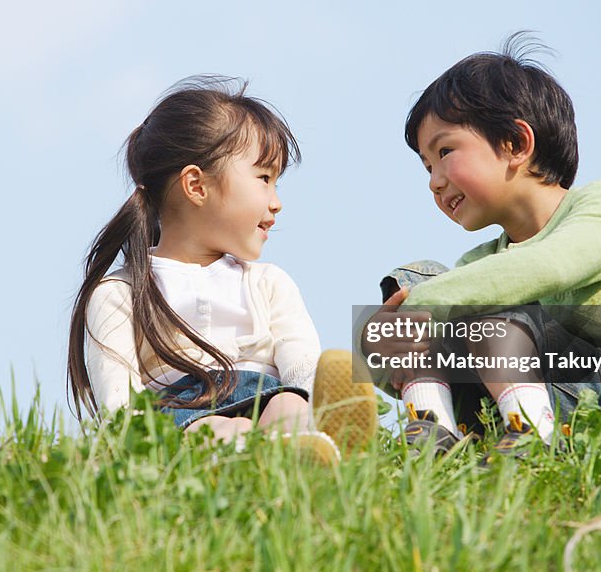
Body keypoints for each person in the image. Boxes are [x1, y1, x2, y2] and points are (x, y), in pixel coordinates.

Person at [362, 34, 601, 462]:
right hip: (535, 399)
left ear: (516, 144)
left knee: (467, 300)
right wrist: (378, 344)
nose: (434, 181)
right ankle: (434, 429)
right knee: (421, 276)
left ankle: (531, 435)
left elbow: (548, 266)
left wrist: (422, 305)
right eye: (427, 167)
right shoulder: (479, 264)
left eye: (445, 152)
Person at [67, 77, 373, 463]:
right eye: (264, 178)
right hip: (180, 414)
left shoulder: (268, 282)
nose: (276, 202)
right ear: (196, 185)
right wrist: (134, 446)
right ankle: (266, 459)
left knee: (288, 407)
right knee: (222, 430)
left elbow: (300, 359)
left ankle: (319, 440)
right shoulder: (122, 292)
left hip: (268, 395)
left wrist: (312, 395)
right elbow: (118, 396)